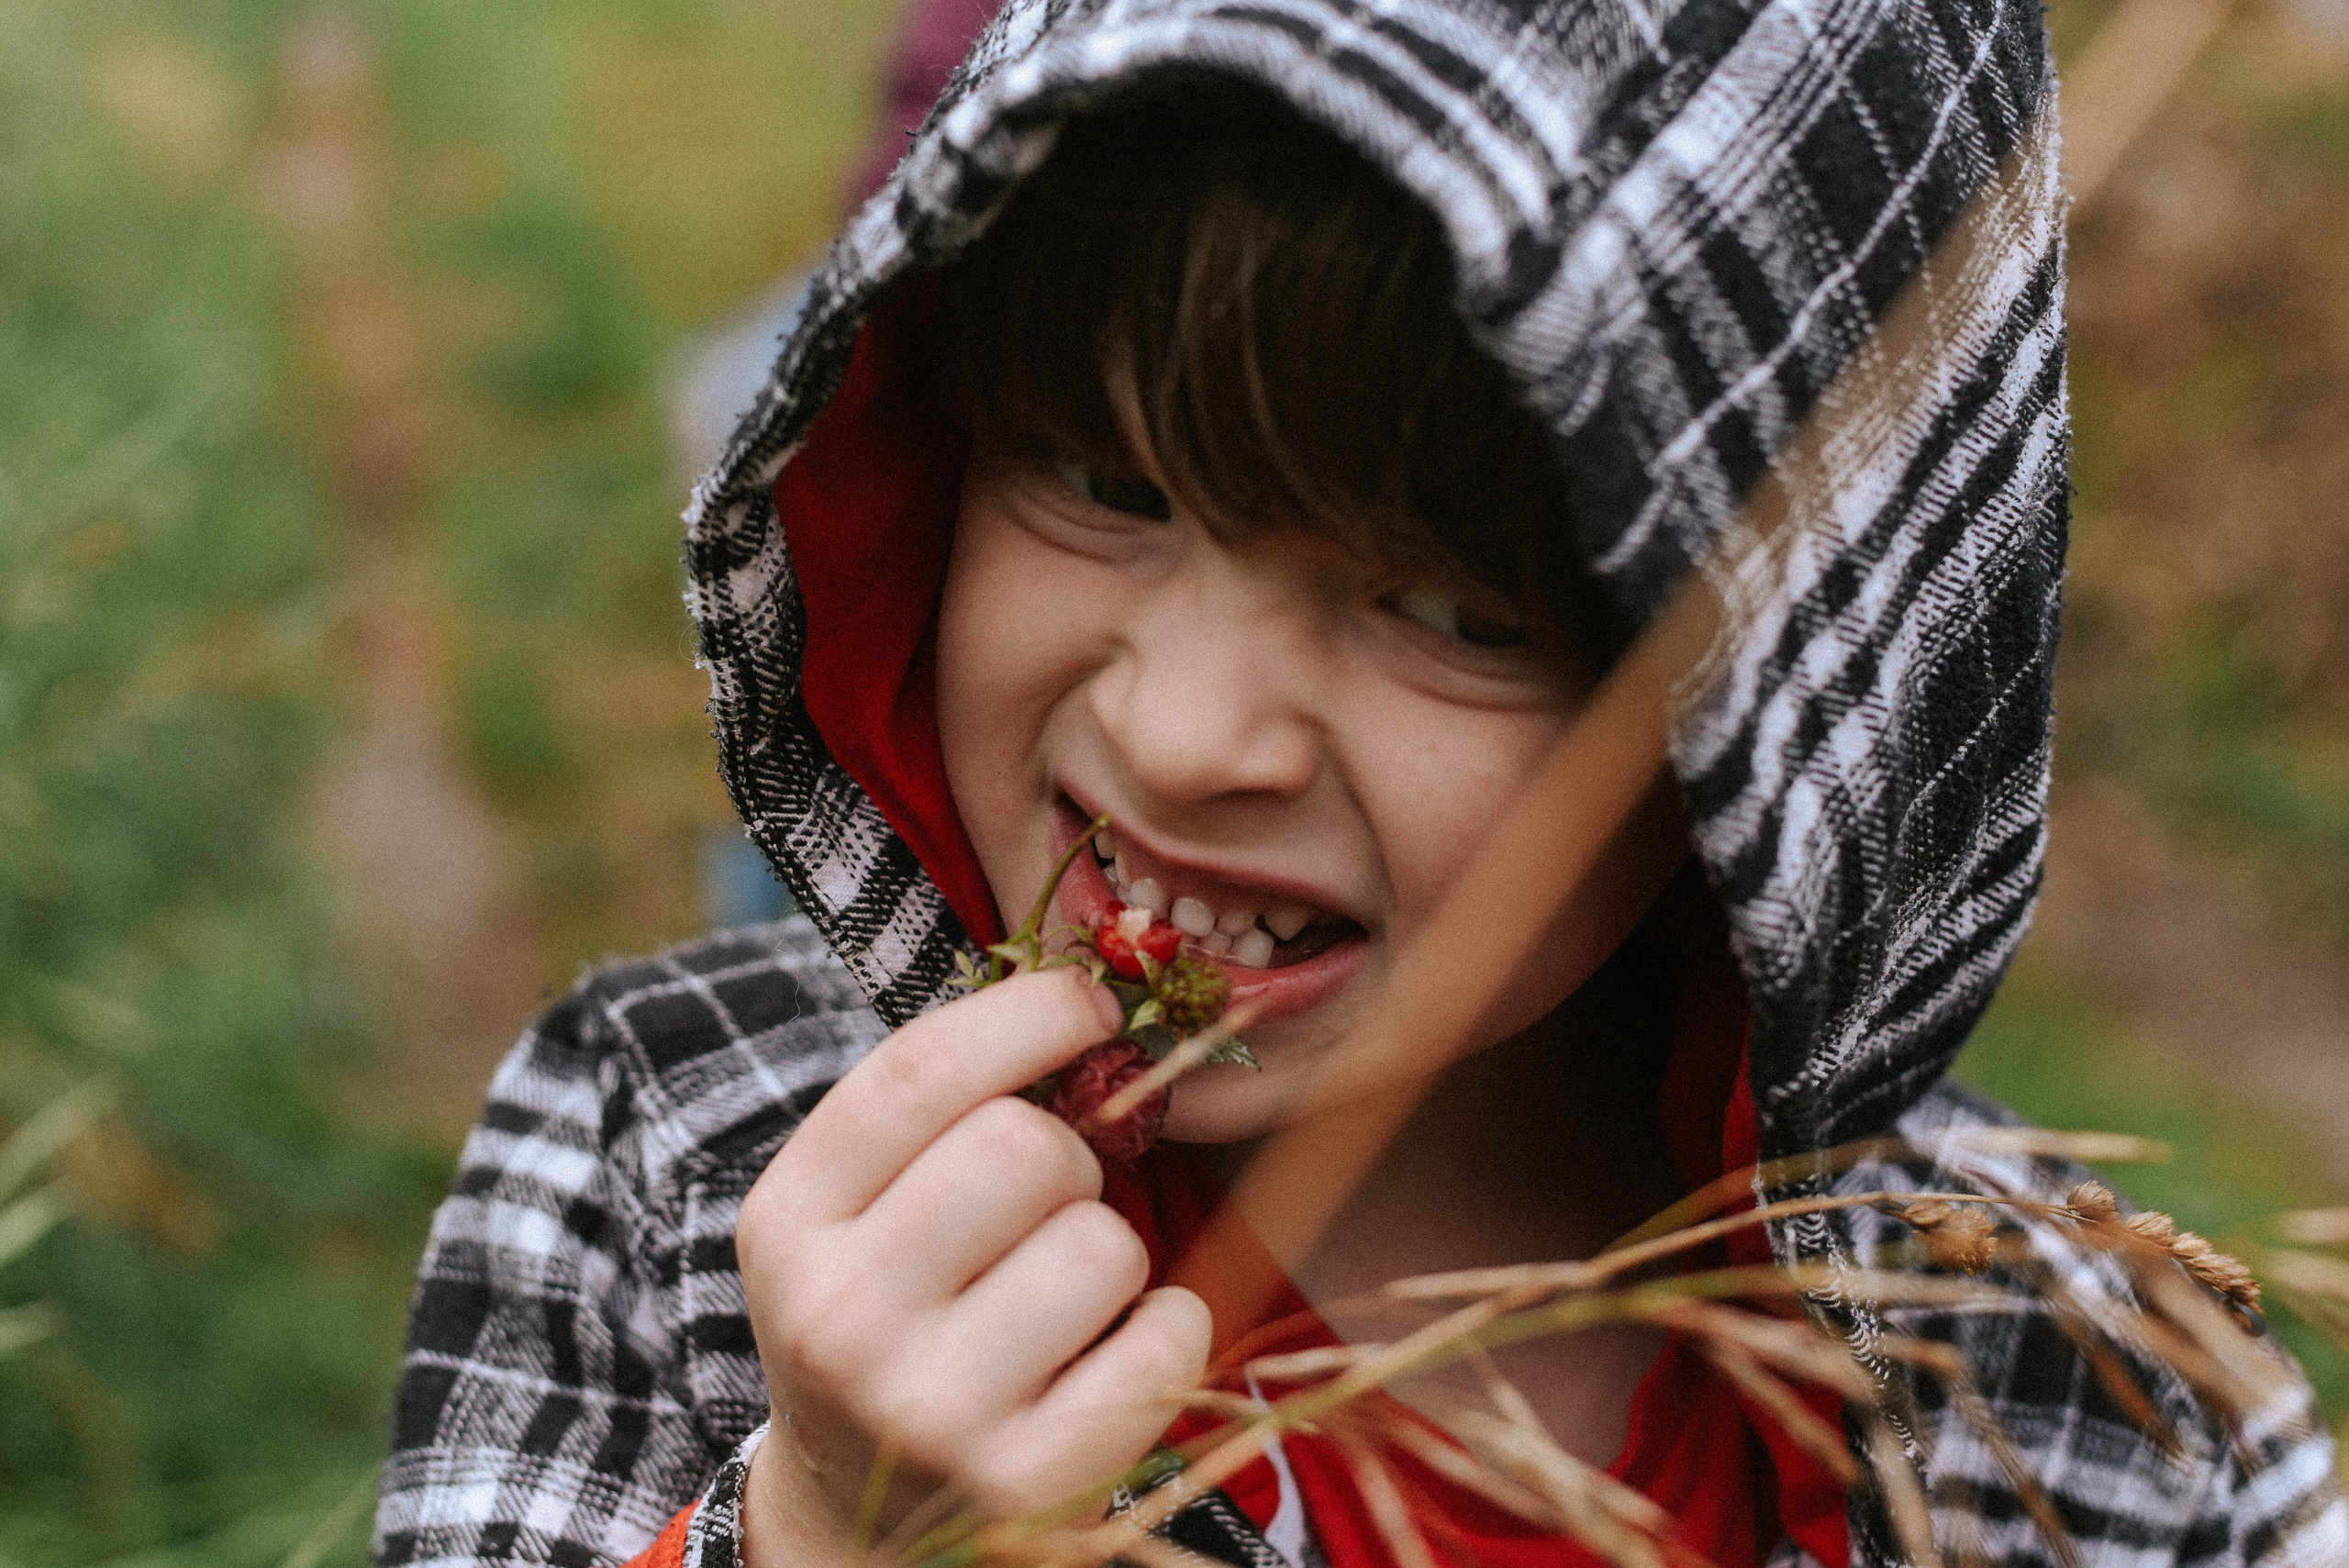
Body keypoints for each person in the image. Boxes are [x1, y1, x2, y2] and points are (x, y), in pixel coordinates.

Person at [372, 3, 2348, 1567]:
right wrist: (819, 1537)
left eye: (1443, 605)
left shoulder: (2091, 1395)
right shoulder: (670, 1164)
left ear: (1770, 718)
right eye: (1103, 480)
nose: (1177, 736)